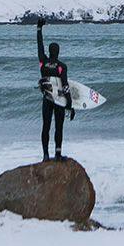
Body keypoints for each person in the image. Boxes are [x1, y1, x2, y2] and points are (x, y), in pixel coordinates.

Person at [36, 20, 74, 160]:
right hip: (59, 100)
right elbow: (64, 85)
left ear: (49, 51)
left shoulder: (43, 63)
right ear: (58, 52)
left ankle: (46, 155)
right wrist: (70, 103)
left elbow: (39, 46)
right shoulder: (61, 66)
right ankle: (57, 154)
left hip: (47, 99)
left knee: (46, 126)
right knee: (59, 127)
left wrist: (39, 29)